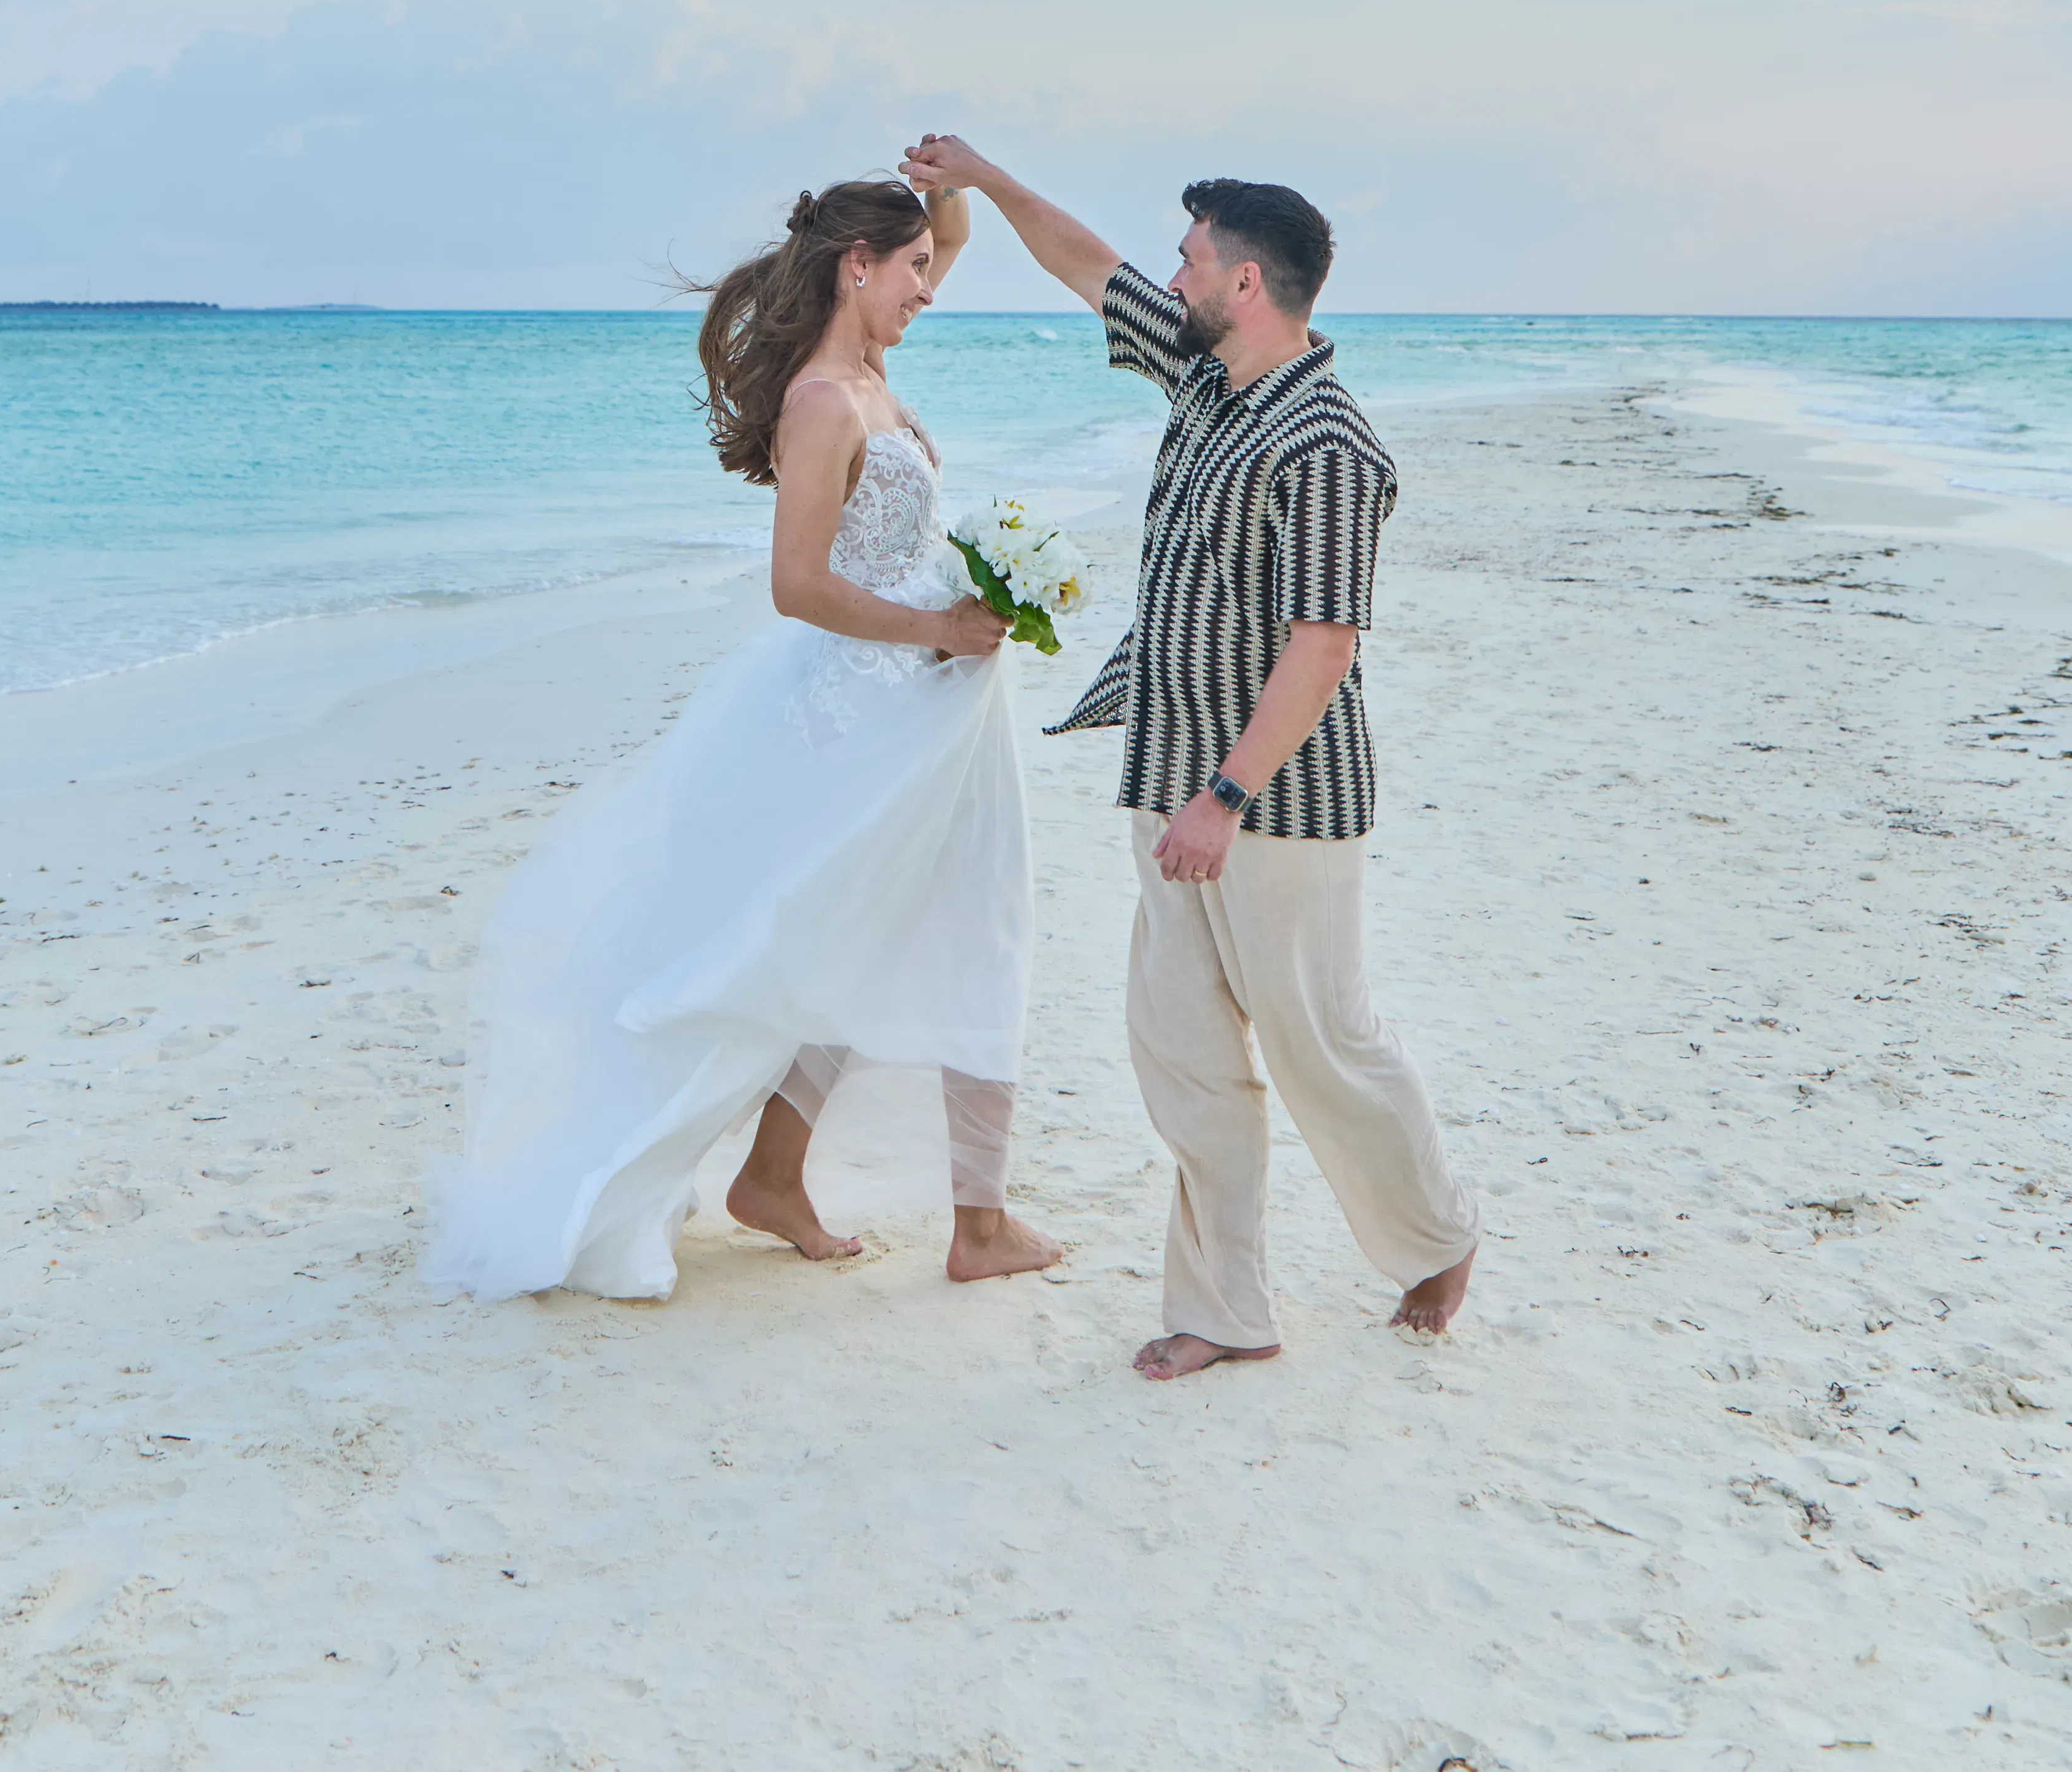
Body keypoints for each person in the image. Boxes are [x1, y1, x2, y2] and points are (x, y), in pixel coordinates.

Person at [424, 173, 1061, 1301]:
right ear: (856, 264)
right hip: (873, 711)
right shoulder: (826, 398)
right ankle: (976, 1218)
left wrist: (957, 177)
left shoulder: (874, 362)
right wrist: (938, 628)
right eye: (911, 268)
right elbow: (795, 584)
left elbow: (945, 231)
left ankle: (785, 1177)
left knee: (895, 935)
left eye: (927, 265)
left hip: (927, 703)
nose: (930, 286)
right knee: (923, 932)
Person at [900, 136, 1478, 1379]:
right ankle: (1224, 1311)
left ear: (1248, 286)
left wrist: (1226, 797)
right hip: (1168, 775)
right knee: (1181, 1052)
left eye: (1191, 258)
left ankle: (1436, 1238)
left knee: (1320, 1042)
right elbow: (1088, 267)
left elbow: (1322, 646)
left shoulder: (1328, 445)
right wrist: (988, 185)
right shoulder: (1207, 378)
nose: (1171, 274)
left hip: (1278, 803)